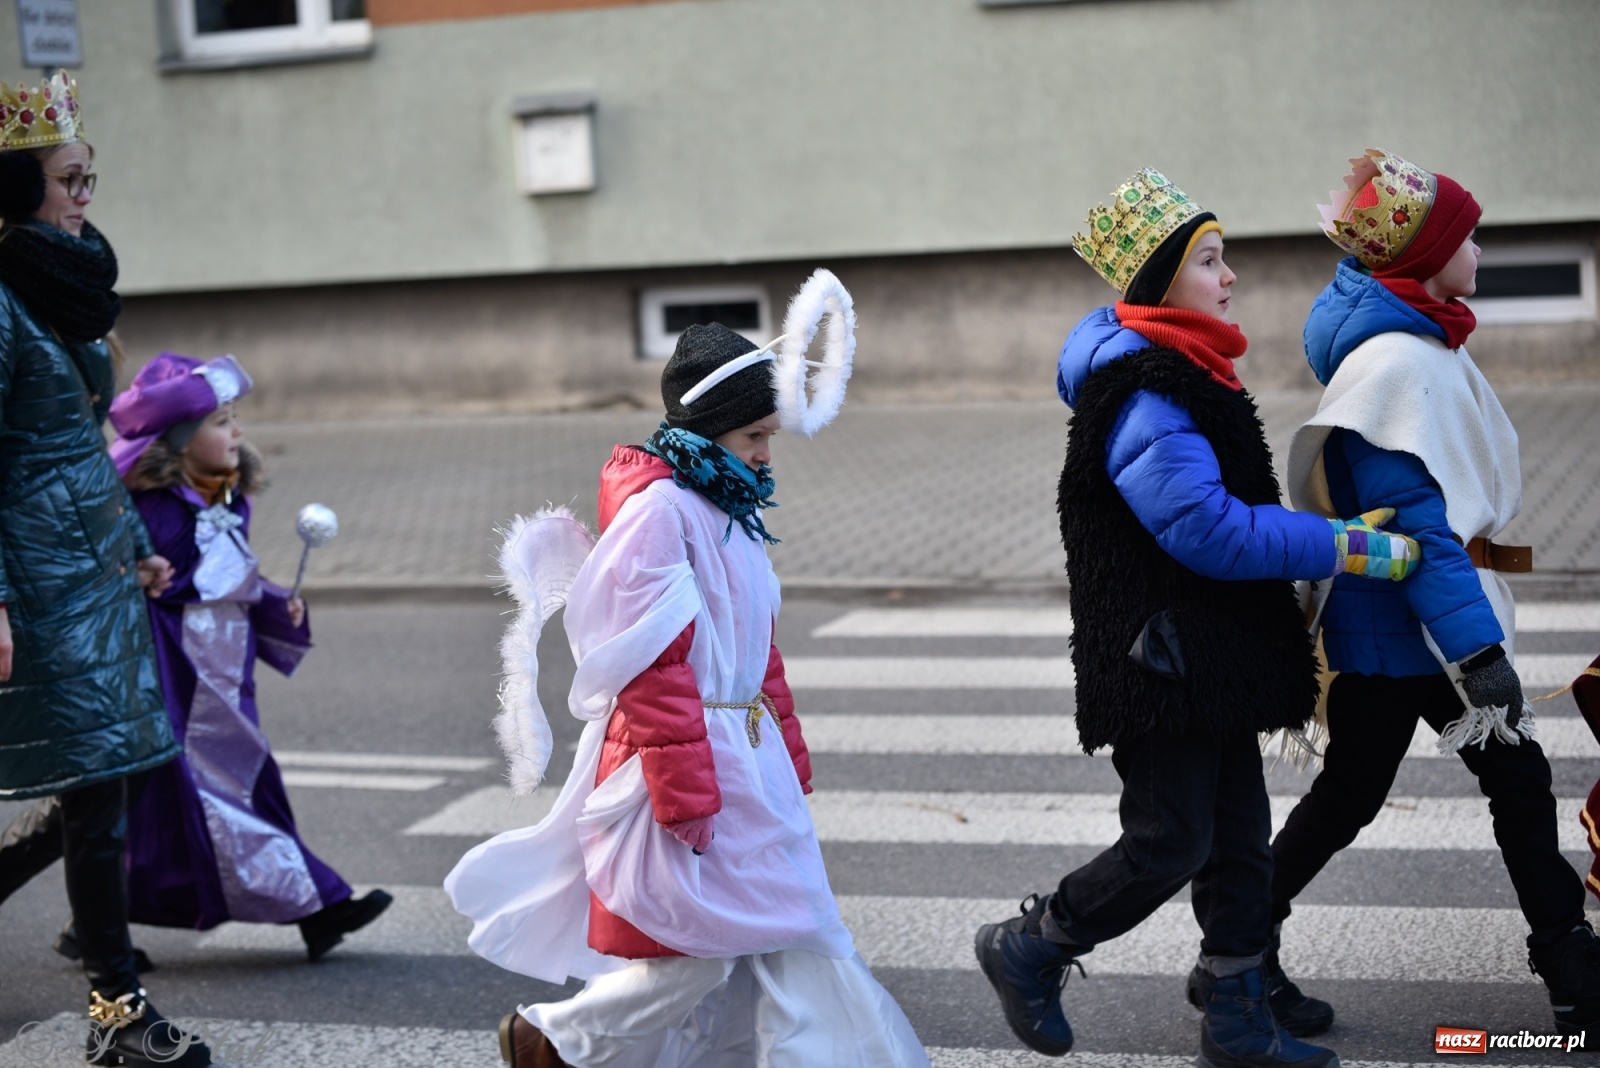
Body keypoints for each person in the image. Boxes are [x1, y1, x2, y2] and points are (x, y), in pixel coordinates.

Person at [973, 169, 1420, 1068]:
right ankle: (1033, 944)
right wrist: (1345, 547)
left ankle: (1236, 1016)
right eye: (1211, 261)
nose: (1230, 276)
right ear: (1160, 282)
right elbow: (1209, 532)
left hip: (1208, 655)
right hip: (1161, 663)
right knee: (1170, 841)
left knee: (1240, 844)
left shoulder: (1187, 372)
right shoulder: (1145, 393)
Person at [447, 303, 930, 1067]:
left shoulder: (730, 508)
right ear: (711, 430)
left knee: (792, 939)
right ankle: (554, 1041)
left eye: (770, 436)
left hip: (745, 760)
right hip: (684, 763)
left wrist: (788, 749)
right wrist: (685, 792)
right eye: (754, 436)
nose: (766, 454)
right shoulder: (661, 515)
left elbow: (757, 648)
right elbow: (654, 666)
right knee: (705, 949)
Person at [1271, 148, 1600, 1034]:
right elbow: (1422, 535)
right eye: (1469, 237)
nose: (1480, 252)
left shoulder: (1420, 341)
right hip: (1409, 638)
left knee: (1381, 791)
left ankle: (1239, 942)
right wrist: (1481, 658)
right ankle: (1573, 970)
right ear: (1427, 254)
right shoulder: (1395, 366)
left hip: (1409, 632)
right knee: (1498, 783)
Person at [0, 73, 211, 1067]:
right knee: (97, 781)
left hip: (92, 568)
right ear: (18, 189)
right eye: (68, 179)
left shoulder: (61, 281)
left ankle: (115, 1006)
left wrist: (135, 545)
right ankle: (118, 1012)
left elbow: (82, 449)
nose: (85, 197)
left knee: (113, 772)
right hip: (36, 578)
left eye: (91, 177)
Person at [100, 351, 390, 957]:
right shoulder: (153, 509)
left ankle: (312, 906)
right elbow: (155, 588)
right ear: (179, 441)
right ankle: (319, 905)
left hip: (223, 675)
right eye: (221, 421)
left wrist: (278, 605)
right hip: (177, 678)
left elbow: (234, 578)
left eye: (235, 418)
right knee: (193, 798)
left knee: (237, 787)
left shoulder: (228, 498)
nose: (238, 432)